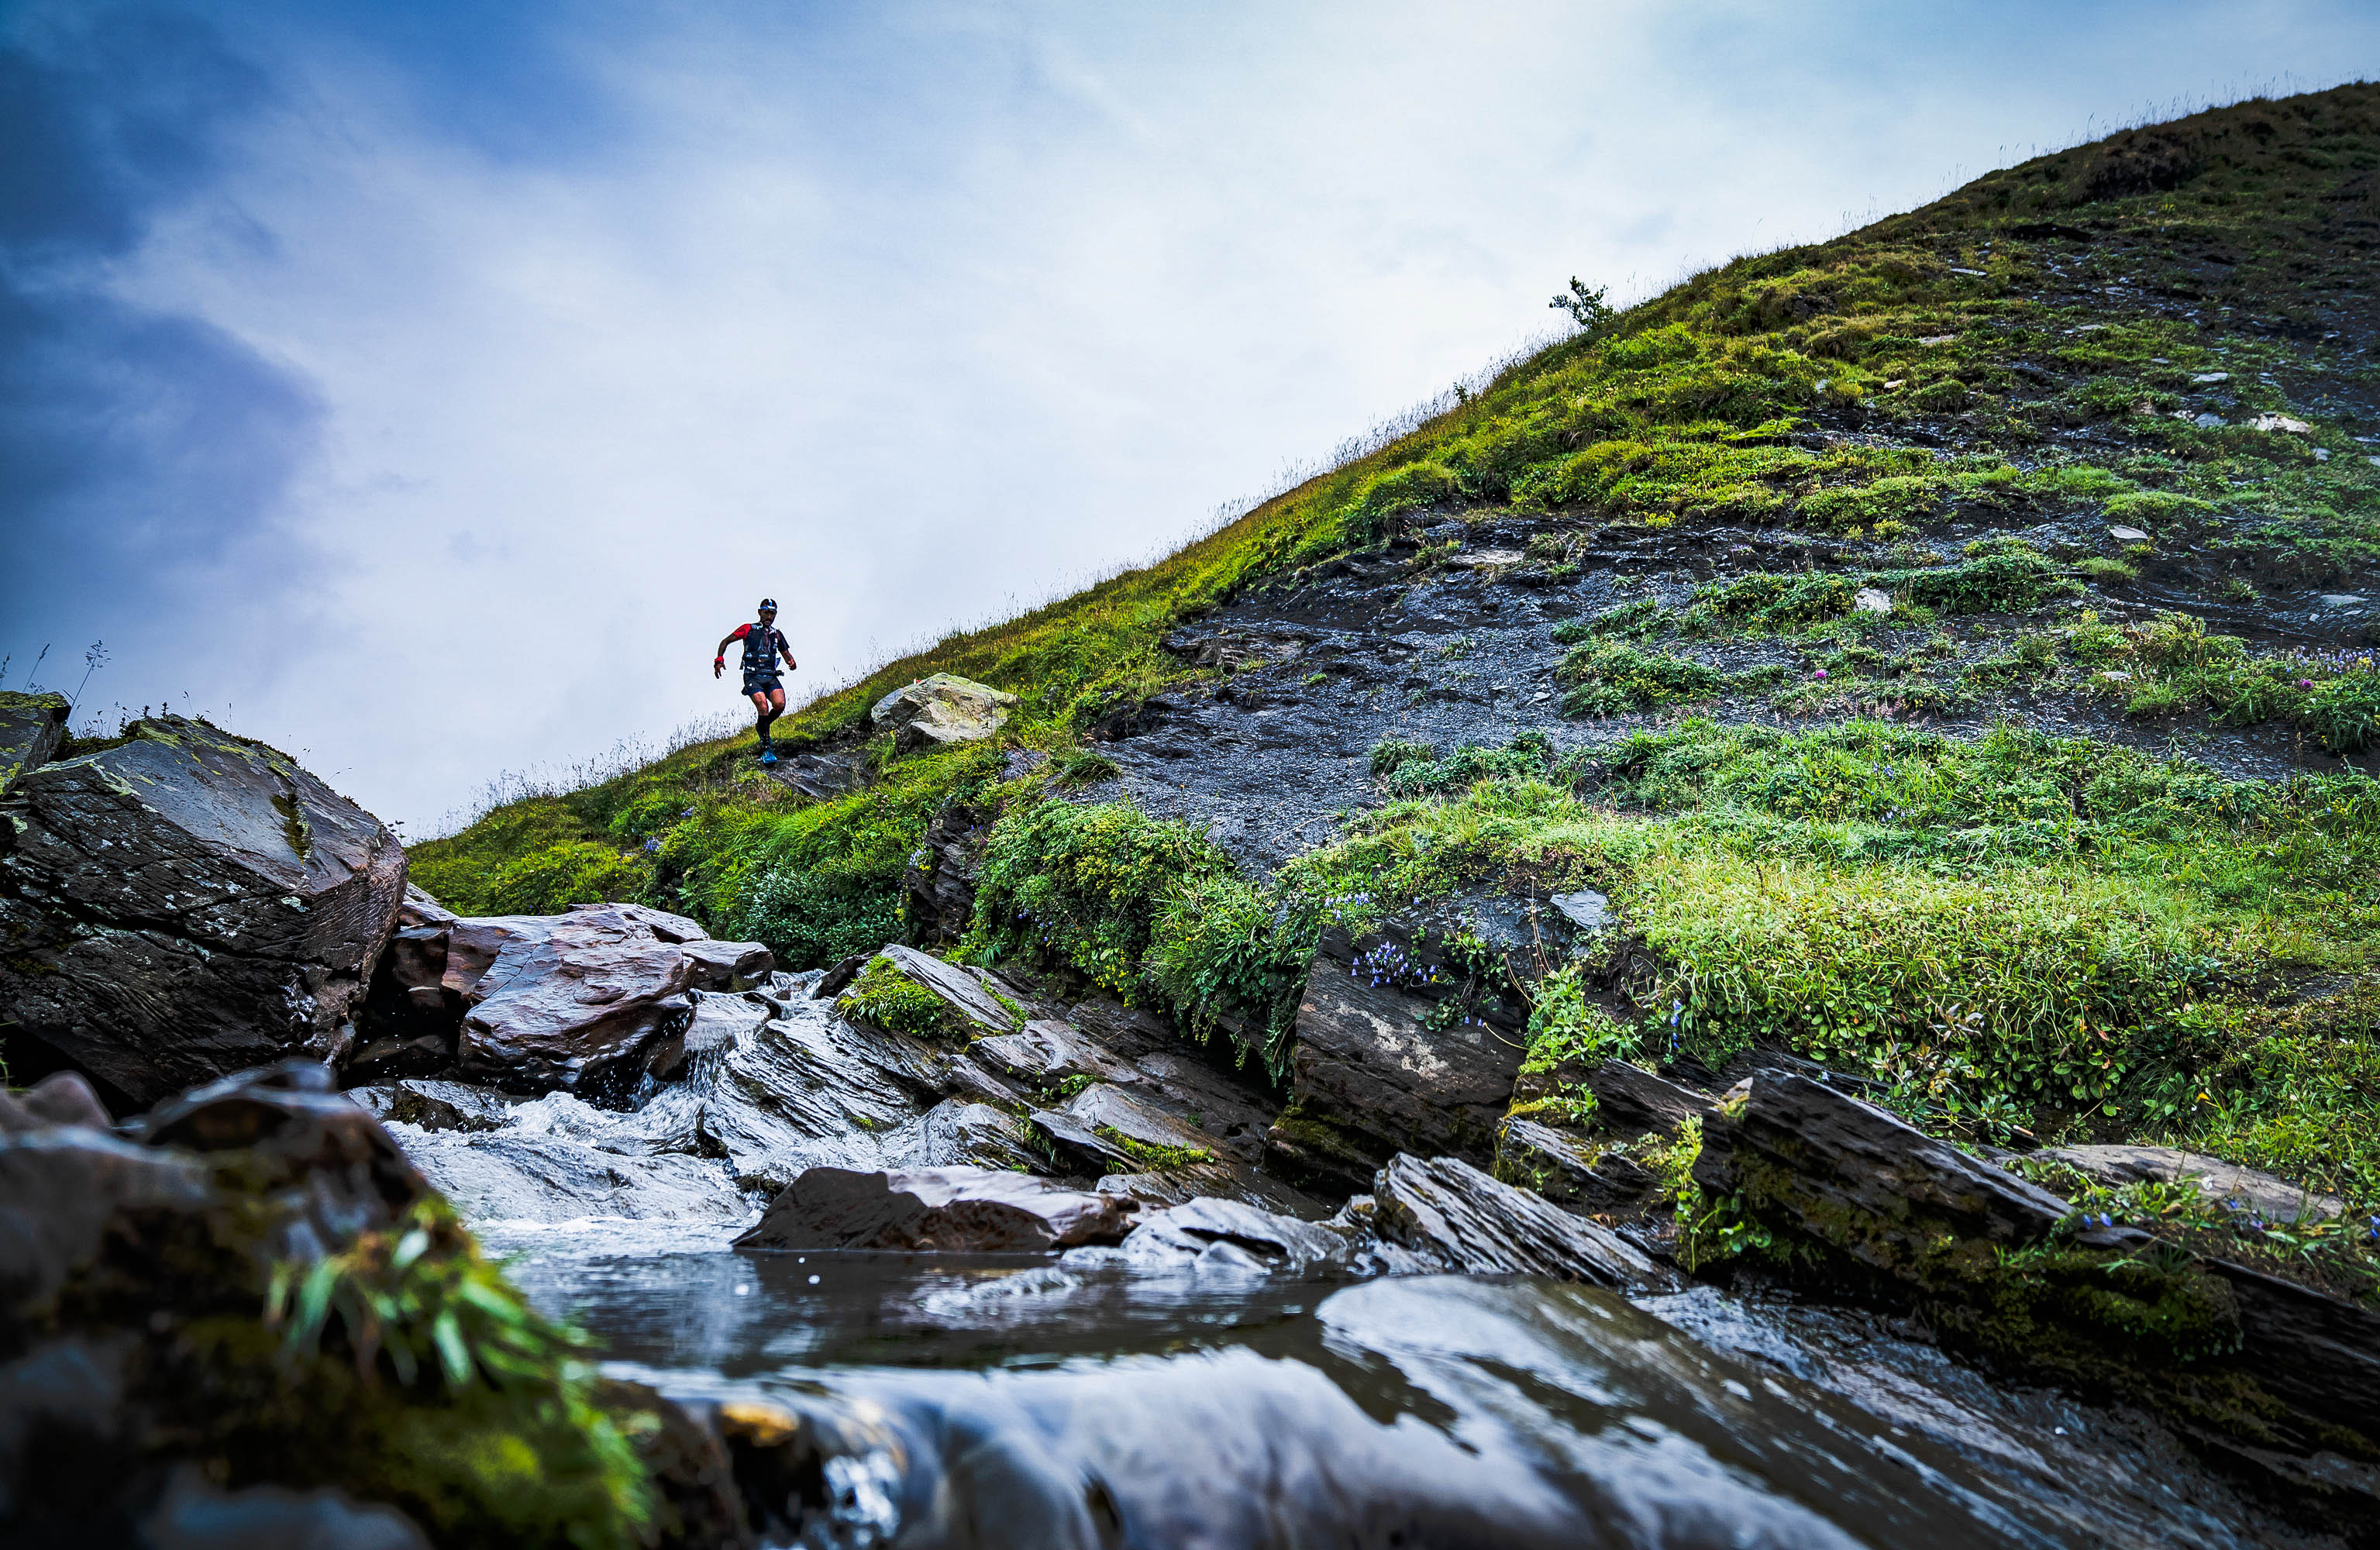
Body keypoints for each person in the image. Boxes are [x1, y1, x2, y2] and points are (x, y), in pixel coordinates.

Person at [715, 600, 796, 764]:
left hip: (770, 676)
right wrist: (719, 659)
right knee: (763, 705)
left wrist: (791, 662)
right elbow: (725, 641)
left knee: (779, 704)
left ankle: (762, 726)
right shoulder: (748, 629)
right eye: (766, 612)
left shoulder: (777, 634)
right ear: (760, 612)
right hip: (752, 676)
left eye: (772, 613)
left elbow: (786, 653)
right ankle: (767, 748)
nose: (769, 616)